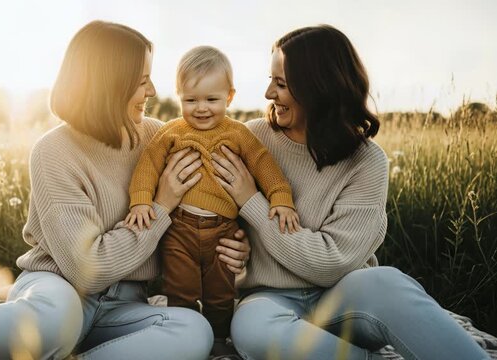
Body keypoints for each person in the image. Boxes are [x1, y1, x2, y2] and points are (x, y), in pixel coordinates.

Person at [0, 21, 250, 360]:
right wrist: (160, 206)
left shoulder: (159, 136)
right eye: (142, 81)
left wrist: (235, 244)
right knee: (57, 319)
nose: (152, 91)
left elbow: (206, 208)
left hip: (127, 302)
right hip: (58, 288)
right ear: (112, 84)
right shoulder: (53, 151)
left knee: (194, 331)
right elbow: (86, 270)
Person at [210, 25, 490, 359]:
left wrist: (251, 203)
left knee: (388, 283)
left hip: (342, 297)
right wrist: (233, 242)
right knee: (253, 331)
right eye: (271, 80)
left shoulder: (367, 161)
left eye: (281, 83)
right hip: (268, 298)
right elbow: (209, 217)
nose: (269, 93)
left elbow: (331, 263)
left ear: (318, 88)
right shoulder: (249, 139)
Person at [124, 45, 298, 355]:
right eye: (190, 100)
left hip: (223, 230)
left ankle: (218, 342)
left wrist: (281, 198)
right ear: (178, 96)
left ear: (229, 96)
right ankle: (184, 339)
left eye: (212, 100)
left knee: (221, 292)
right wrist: (140, 201)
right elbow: (148, 165)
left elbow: (263, 164)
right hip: (179, 230)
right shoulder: (170, 132)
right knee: (180, 289)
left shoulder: (239, 133)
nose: (201, 108)